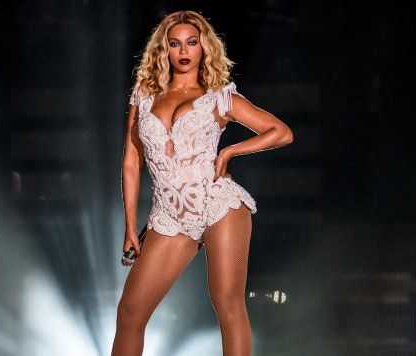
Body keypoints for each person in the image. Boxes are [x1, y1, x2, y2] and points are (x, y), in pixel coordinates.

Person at [111, 10, 293, 356]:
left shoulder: (219, 97)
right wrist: (130, 227)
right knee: (130, 313)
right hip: (169, 214)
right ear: (163, 50)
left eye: (192, 42)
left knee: (227, 303)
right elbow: (131, 160)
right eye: (175, 43)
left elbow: (281, 132)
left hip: (217, 202)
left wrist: (230, 152)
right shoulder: (143, 95)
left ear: (203, 48)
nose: (184, 50)